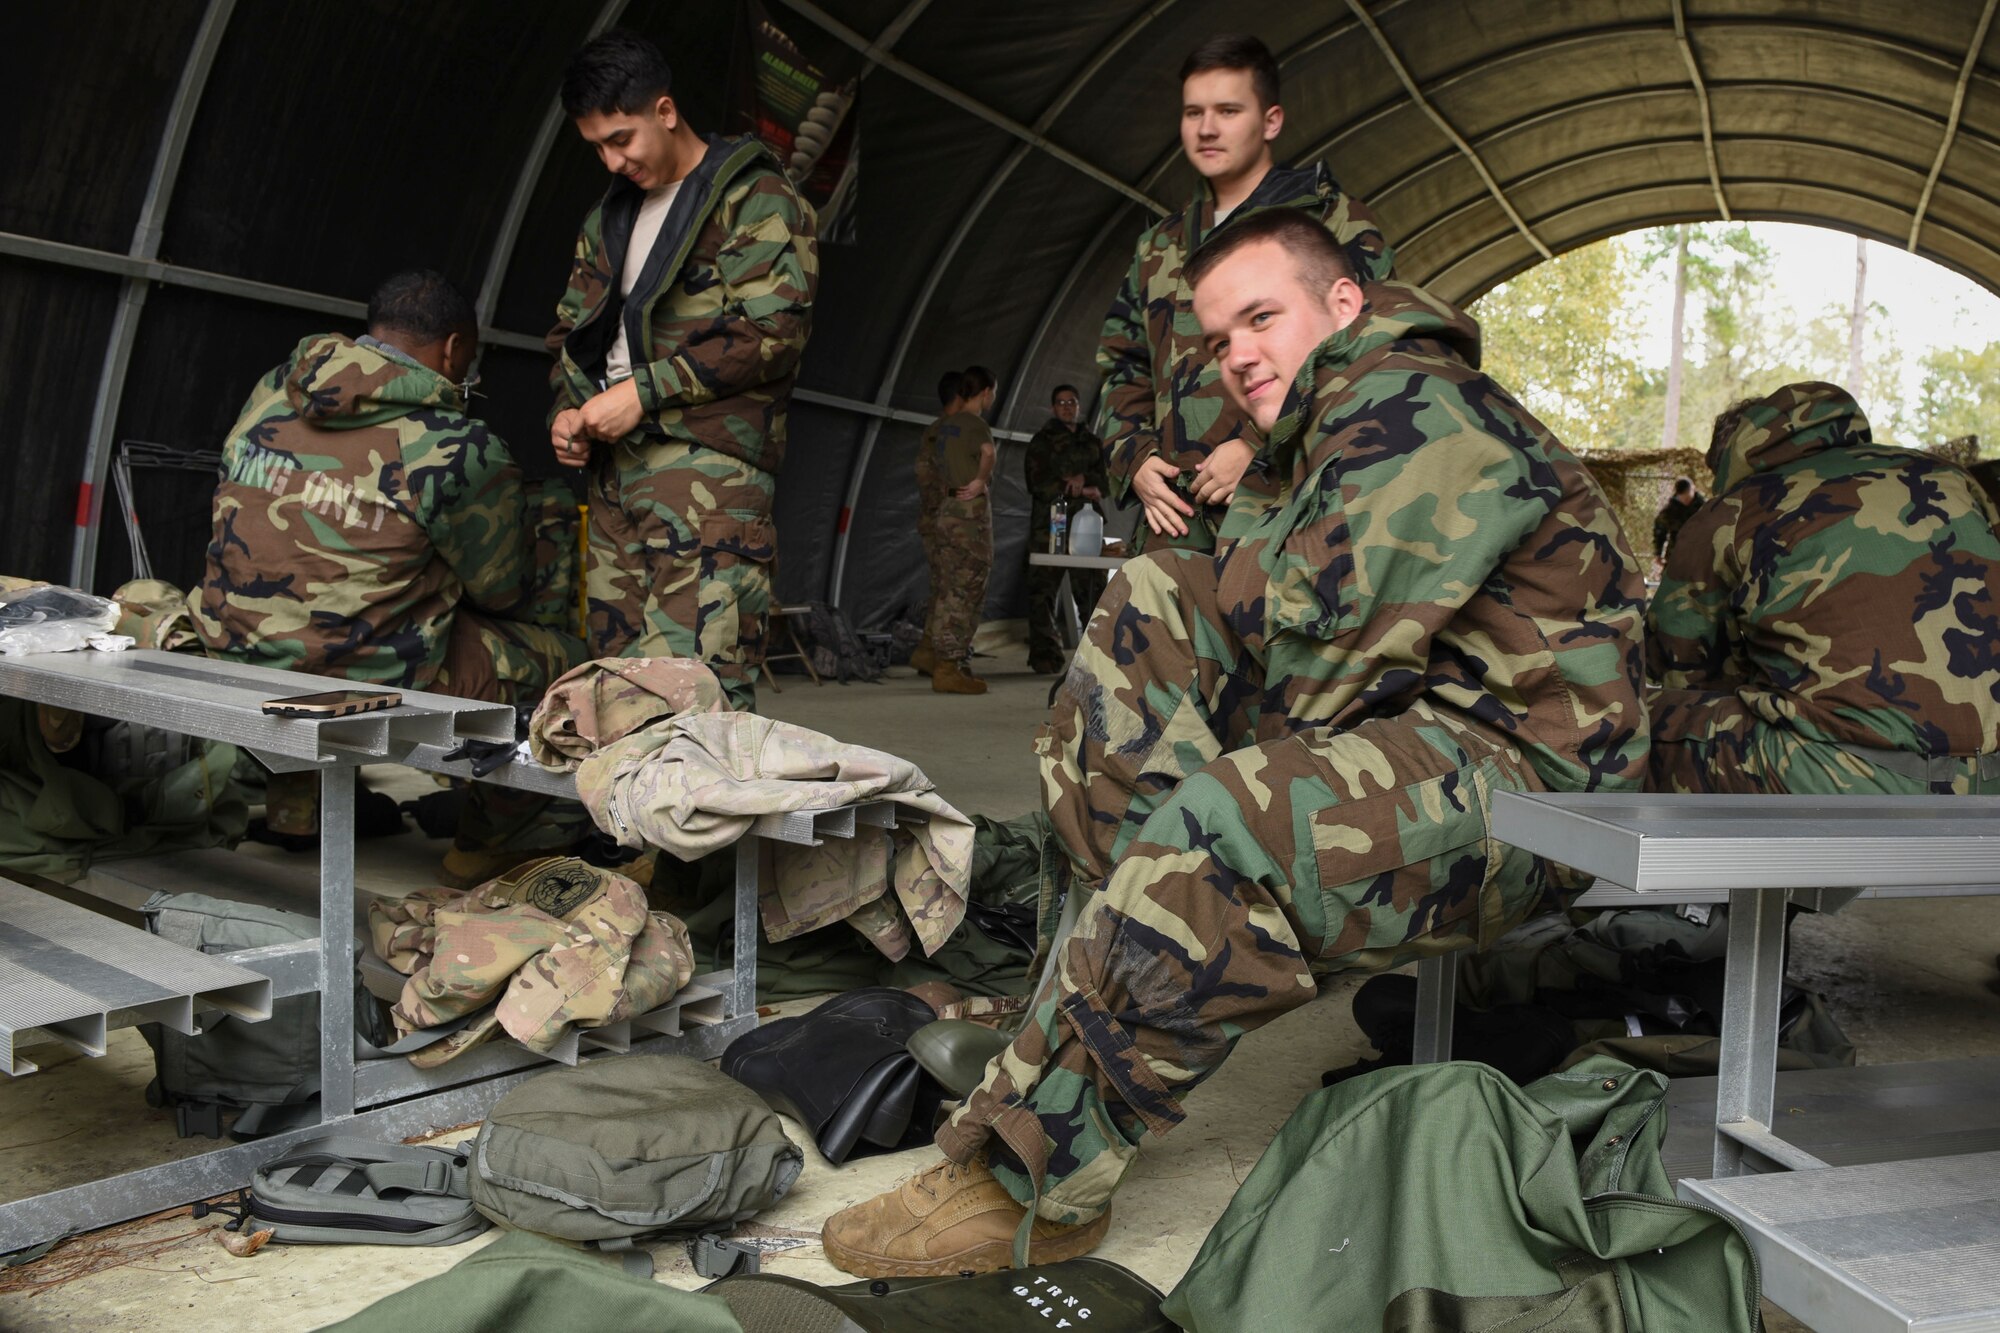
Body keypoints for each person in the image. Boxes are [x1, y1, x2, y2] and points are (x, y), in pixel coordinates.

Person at [821, 207, 1648, 1276]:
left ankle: (1039, 1177)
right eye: (1215, 339)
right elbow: (1254, 633)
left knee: (1223, 823)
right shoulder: (1320, 424)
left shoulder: (1417, 406)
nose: (1237, 355)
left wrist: (1197, 795)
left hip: (1536, 792)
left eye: (1261, 317)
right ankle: (1073, 1018)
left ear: (1340, 303)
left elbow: (1315, 666)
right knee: (1150, 600)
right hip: (1424, 734)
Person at [189, 270, 587, 880]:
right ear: (454, 349)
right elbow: (501, 592)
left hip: (233, 648)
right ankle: (495, 842)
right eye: (468, 359)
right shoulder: (458, 446)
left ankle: (298, 804)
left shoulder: (274, 388)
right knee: (567, 670)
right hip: (354, 679)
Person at [546, 29, 818, 712]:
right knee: (610, 691)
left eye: (622, 138)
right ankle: (617, 825)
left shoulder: (754, 198)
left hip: (708, 474)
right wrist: (568, 407)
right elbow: (570, 331)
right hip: (615, 477)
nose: (612, 160)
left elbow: (774, 330)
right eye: (598, 147)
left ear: (665, 111)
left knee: (698, 695)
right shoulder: (609, 217)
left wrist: (643, 391)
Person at [1096, 33, 1394, 554]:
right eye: (1193, 113)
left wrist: (1256, 446)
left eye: (1228, 110)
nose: (1207, 129)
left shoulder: (1332, 221)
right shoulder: (1158, 248)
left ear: (1270, 121)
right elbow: (1123, 366)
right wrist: (1135, 458)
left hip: (1289, 511)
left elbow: (1370, 352)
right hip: (1176, 526)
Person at [1648, 382, 2000, 796]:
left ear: (1731, 453)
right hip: (1990, 776)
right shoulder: (1949, 478)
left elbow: (1679, 664)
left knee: (1642, 721)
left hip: (1849, 778)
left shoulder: (1734, 509)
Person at [919, 367, 999, 696]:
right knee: (965, 590)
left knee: (946, 587)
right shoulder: (975, 424)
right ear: (985, 392)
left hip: (945, 510)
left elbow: (927, 472)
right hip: (968, 518)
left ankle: (936, 655)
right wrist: (980, 479)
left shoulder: (942, 427)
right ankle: (949, 666)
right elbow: (988, 452)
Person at [1023, 384, 1109, 673]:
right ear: (1052, 408)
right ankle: (1046, 656)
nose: (1066, 407)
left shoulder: (1092, 442)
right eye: (1060, 403)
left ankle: (1097, 655)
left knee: (1093, 592)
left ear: (1079, 405)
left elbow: (1107, 481)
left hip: (1086, 527)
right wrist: (1070, 487)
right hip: (1049, 527)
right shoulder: (1042, 442)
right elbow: (1036, 483)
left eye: (1071, 401)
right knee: (1042, 592)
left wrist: (1085, 479)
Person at [908, 370, 963, 678]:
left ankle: (928, 649)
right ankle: (945, 657)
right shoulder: (954, 431)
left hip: (932, 518)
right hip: (950, 520)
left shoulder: (933, 430)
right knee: (953, 589)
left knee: (939, 586)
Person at [1652, 476, 1703, 560]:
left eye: (1687, 497)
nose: (1685, 500)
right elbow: (1660, 530)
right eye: (1682, 498)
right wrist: (1658, 552)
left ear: (1693, 490)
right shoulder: (1670, 510)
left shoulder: (1704, 508)